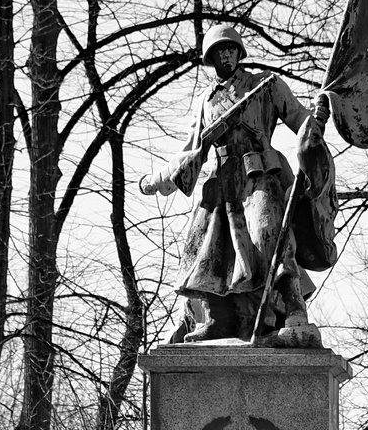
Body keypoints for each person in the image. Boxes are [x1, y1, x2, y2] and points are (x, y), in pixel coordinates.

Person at [140, 24, 337, 345]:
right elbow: (189, 152)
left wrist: (318, 117)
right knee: (203, 248)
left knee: (270, 239)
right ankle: (218, 317)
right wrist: (158, 182)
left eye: (231, 49)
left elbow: (301, 120)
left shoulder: (265, 86)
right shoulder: (206, 99)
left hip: (259, 176)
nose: (226, 56)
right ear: (211, 58)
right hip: (218, 185)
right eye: (220, 52)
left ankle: (293, 310)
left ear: (239, 53)